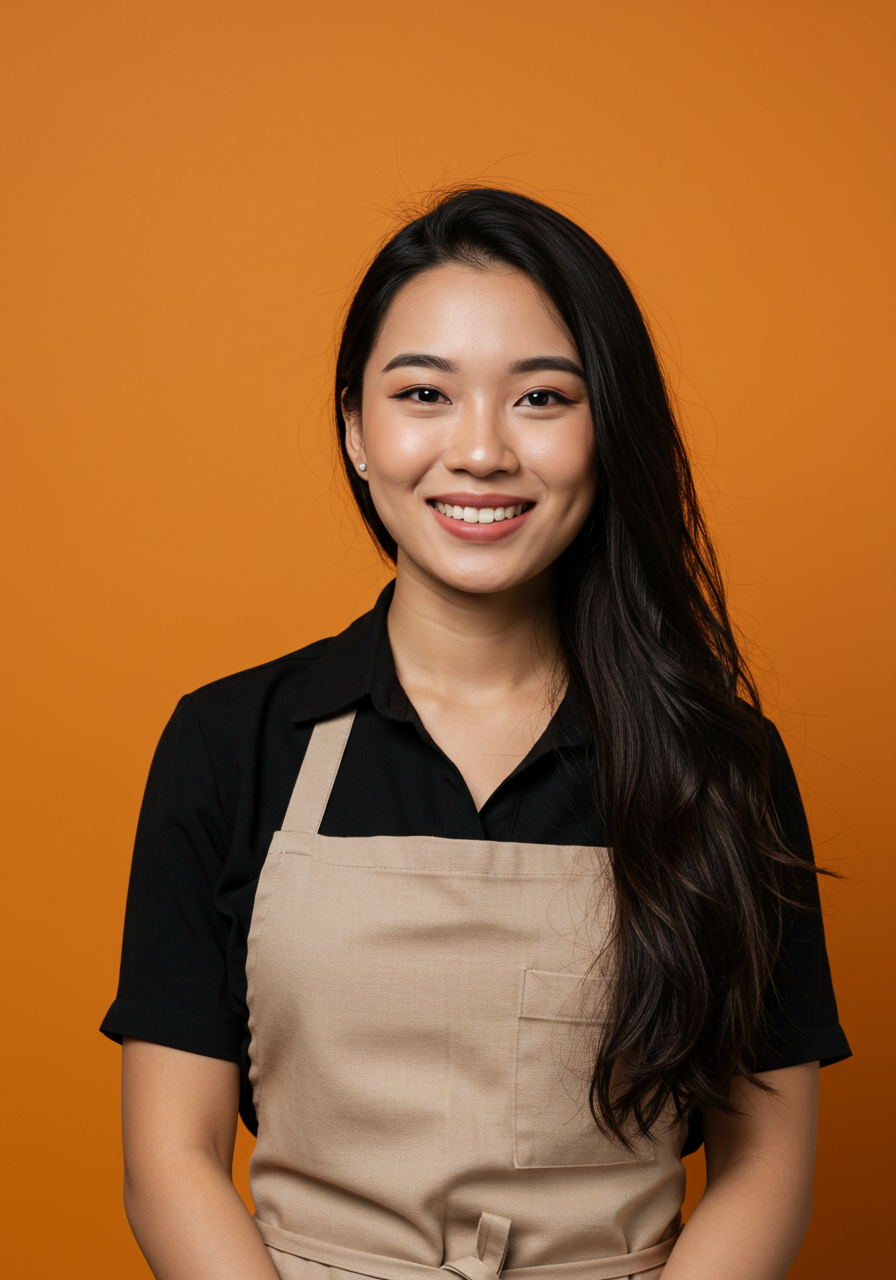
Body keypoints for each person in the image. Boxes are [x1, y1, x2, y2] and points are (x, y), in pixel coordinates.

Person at [101, 187, 850, 1280]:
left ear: (607, 429)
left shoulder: (720, 767)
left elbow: (767, 1164)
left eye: (541, 396)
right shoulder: (229, 743)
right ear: (356, 429)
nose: (482, 450)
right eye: (424, 394)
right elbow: (170, 1156)